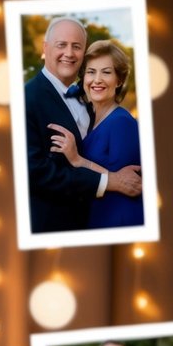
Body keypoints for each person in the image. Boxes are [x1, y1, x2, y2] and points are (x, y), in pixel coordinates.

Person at [24, 17, 141, 233]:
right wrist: (110, 181)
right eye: (61, 45)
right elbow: (34, 172)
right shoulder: (26, 98)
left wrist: (79, 160)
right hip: (54, 227)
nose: (69, 53)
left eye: (76, 47)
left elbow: (132, 182)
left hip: (115, 218)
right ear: (45, 48)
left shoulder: (118, 121)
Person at [47, 41, 144, 229]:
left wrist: (78, 160)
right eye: (91, 72)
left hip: (119, 220)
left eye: (106, 72)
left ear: (119, 80)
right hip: (97, 216)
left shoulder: (121, 123)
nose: (97, 79)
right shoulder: (92, 120)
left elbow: (131, 186)